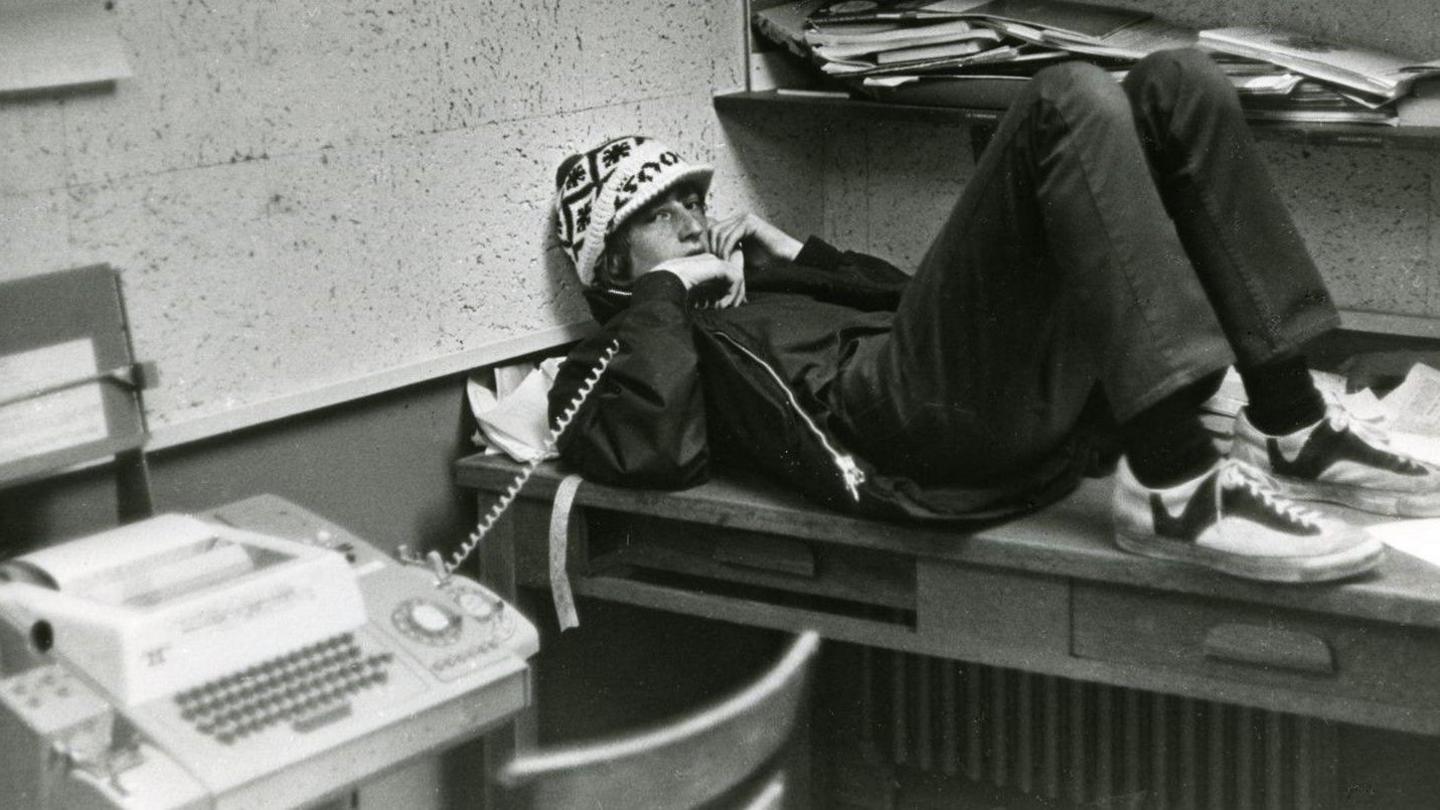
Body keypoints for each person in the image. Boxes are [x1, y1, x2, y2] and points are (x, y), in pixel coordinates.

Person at [546, 48, 1440, 584]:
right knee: (1064, 99)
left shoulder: (761, 289)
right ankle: (1176, 484)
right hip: (898, 426)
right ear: (610, 262)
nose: (696, 219)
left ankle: (1294, 423)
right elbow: (656, 448)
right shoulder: (626, 352)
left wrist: (800, 258)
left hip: (954, 390)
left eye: (695, 199)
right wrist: (663, 295)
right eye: (662, 215)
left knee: (1178, 82)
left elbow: (916, 299)